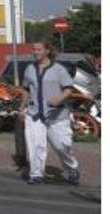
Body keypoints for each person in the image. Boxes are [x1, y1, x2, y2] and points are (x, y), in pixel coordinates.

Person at [21, 39, 80, 185]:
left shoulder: (59, 69)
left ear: (47, 51)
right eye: (34, 49)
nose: (35, 52)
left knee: (62, 146)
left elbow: (68, 89)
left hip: (57, 114)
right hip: (34, 114)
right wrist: (22, 108)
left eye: (39, 49)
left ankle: (72, 169)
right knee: (35, 145)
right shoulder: (29, 68)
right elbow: (26, 89)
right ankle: (36, 174)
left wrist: (59, 98)